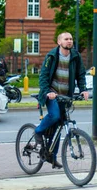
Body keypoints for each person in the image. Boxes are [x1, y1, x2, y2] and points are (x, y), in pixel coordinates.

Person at [35, 32, 89, 168]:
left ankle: (52, 157)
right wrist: (47, 91)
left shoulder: (75, 56)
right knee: (54, 115)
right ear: (59, 42)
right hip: (52, 93)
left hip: (65, 96)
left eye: (71, 39)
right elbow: (43, 76)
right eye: (66, 39)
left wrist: (83, 89)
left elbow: (80, 74)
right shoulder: (51, 56)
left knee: (59, 126)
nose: (69, 41)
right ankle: (38, 131)